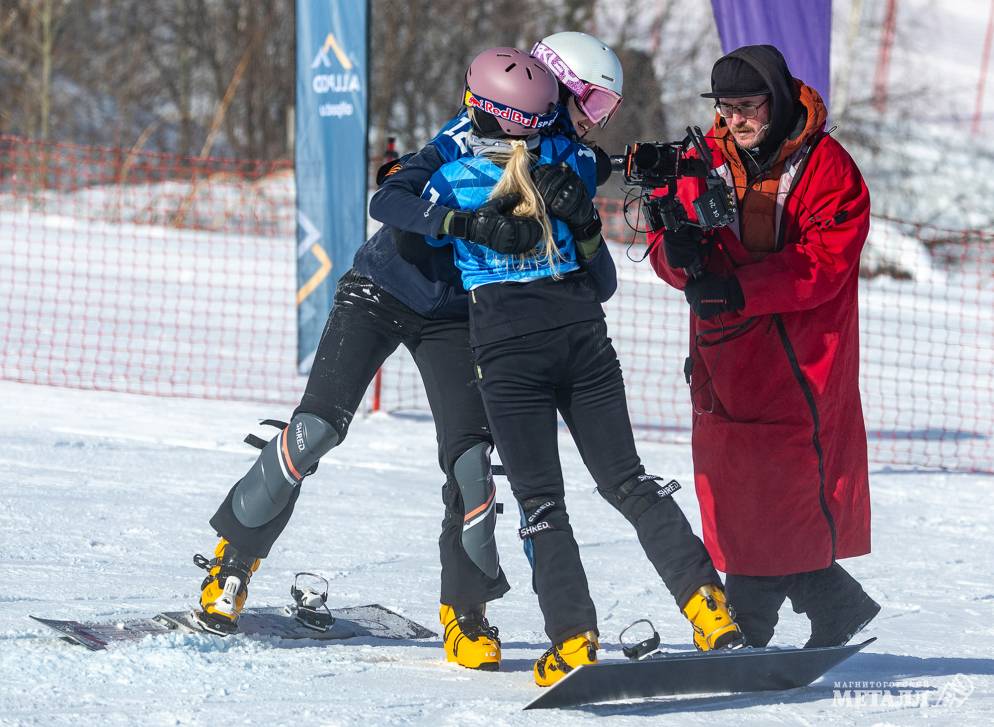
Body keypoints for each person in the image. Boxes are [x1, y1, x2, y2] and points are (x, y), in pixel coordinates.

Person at [192, 34, 627, 674]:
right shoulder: (468, 132)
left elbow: (598, 176)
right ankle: (232, 562)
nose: (594, 114)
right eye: (590, 100)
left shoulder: (563, 149)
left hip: (456, 317)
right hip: (382, 291)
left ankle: (466, 611)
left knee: (473, 463)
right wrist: (465, 223)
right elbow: (390, 199)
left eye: (603, 106)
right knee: (314, 431)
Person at [422, 46, 742, 688]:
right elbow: (598, 264)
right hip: (581, 334)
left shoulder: (454, 175)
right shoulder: (567, 161)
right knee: (628, 481)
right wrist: (585, 218)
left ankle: (572, 638)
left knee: (542, 501)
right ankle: (708, 607)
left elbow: (396, 204)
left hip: (508, 348)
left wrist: (454, 220)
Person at [647, 44, 880, 649]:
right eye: (725, 107)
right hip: (723, 352)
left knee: (776, 489)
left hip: (800, 353)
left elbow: (824, 263)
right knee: (735, 490)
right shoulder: (703, 157)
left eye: (748, 106)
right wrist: (676, 255)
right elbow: (668, 244)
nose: (736, 119)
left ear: (776, 100)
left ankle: (751, 625)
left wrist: (740, 289)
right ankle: (834, 603)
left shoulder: (829, 167)